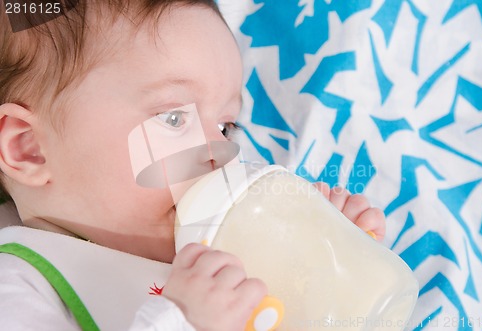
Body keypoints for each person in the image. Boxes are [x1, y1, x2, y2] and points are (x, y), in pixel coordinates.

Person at [0, 1, 386, 330]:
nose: (219, 151)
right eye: (173, 118)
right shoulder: (17, 284)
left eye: (226, 126)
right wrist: (181, 320)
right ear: (29, 148)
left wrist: (322, 258)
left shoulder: (227, 251)